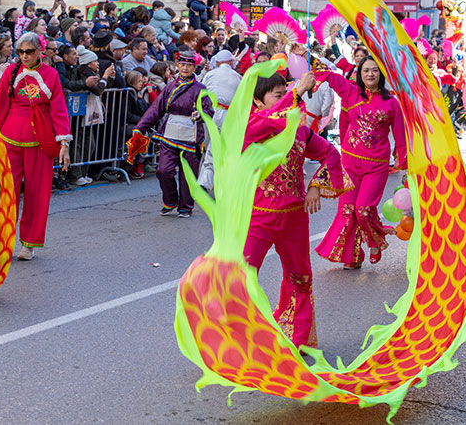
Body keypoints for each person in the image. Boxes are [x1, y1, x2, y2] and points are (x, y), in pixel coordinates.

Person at [243, 71, 349, 349]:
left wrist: (315, 185)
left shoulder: (300, 131)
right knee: (241, 275)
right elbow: (263, 124)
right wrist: (298, 90)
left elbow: (331, 154)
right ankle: (237, 340)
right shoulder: (251, 126)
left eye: (285, 93)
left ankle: (296, 340)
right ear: (257, 102)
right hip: (258, 216)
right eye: (278, 96)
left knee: (300, 277)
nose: (290, 101)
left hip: (294, 218)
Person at [314, 56, 407, 267]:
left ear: (381, 74)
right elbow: (329, 75)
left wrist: (402, 161)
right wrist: (303, 55)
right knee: (347, 210)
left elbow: (400, 135)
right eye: (366, 70)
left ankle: (374, 242)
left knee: (363, 209)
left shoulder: (391, 102)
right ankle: (352, 257)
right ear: (360, 73)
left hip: (376, 165)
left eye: (375, 70)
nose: (370, 74)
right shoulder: (351, 92)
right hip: (350, 163)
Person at [0, 32, 72, 260]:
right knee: (6, 192)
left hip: (40, 140)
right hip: (10, 137)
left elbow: (58, 109)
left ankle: (29, 244)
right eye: (21, 52)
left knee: (37, 193)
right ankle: (2, 241)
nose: (24, 56)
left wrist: (63, 142)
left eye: (29, 52)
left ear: (39, 52)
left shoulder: (51, 75)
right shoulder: (10, 72)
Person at [129, 51, 211, 217]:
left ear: (194, 67)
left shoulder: (200, 89)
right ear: (178, 66)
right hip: (170, 132)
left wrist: (200, 114)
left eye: (189, 65)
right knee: (163, 171)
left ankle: (186, 207)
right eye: (182, 65)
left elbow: (209, 109)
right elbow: (155, 109)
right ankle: (170, 200)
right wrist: (140, 128)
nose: (185, 68)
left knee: (188, 175)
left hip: (191, 135)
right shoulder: (170, 87)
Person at [197, 49, 241, 190]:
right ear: (230, 62)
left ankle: (205, 180)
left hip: (208, 112)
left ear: (217, 62)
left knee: (209, 147)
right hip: (228, 115)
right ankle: (214, 181)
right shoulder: (238, 77)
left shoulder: (210, 74)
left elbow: (201, 92)